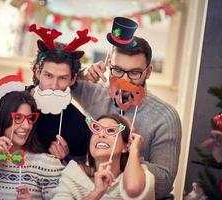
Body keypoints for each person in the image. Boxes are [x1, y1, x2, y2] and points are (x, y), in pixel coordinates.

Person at [72, 17, 182, 199]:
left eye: (134, 73)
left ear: (148, 72)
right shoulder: (95, 93)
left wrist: (128, 155)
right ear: (109, 66)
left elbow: (163, 184)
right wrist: (83, 73)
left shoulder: (165, 116)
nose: (125, 80)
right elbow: (59, 79)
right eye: (117, 70)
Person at [0, 24, 97, 162]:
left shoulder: (78, 124)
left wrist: (64, 160)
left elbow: (79, 172)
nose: (54, 86)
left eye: (62, 78)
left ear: (73, 79)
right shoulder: (0, 98)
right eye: (48, 76)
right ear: (37, 72)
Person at [51, 114, 155, 199]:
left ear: (126, 146)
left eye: (111, 131)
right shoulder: (73, 173)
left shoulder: (140, 176)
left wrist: (134, 150)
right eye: (96, 129)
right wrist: (96, 192)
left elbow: (133, 188)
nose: (101, 135)